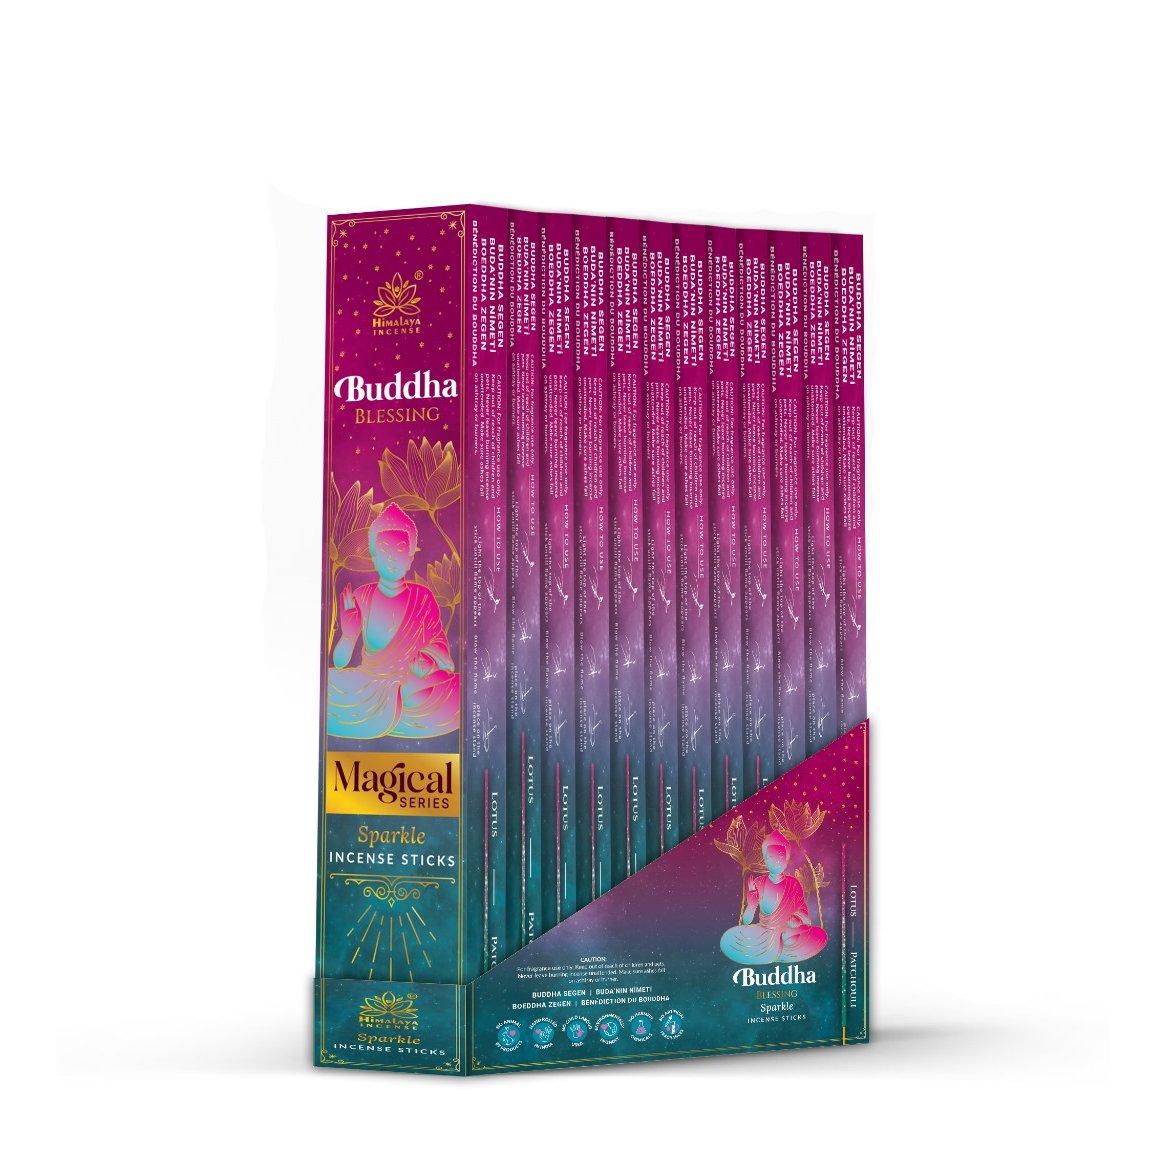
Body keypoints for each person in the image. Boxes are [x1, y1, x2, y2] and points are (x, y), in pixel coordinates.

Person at [327, 503, 459, 740]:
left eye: (400, 550)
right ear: (374, 558)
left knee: (455, 690)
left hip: (413, 680)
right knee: (327, 683)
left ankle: (395, 703)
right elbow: (340, 662)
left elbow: (439, 643)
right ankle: (397, 702)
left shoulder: (422, 597)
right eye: (385, 550)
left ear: (410, 558)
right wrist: (348, 635)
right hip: (371, 682)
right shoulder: (363, 596)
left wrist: (427, 662)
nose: (392, 558)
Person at [719, 832, 828, 965]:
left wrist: (797, 920)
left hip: (789, 932)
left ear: (786, 859)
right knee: (729, 938)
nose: (777, 861)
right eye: (772, 857)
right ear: (765, 860)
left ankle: (779, 946)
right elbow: (746, 921)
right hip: (764, 934)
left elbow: (805, 916)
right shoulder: (759, 883)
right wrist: (751, 905)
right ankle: (779, 949)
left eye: (781, 856)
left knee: (818, 935)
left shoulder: (793, 884)